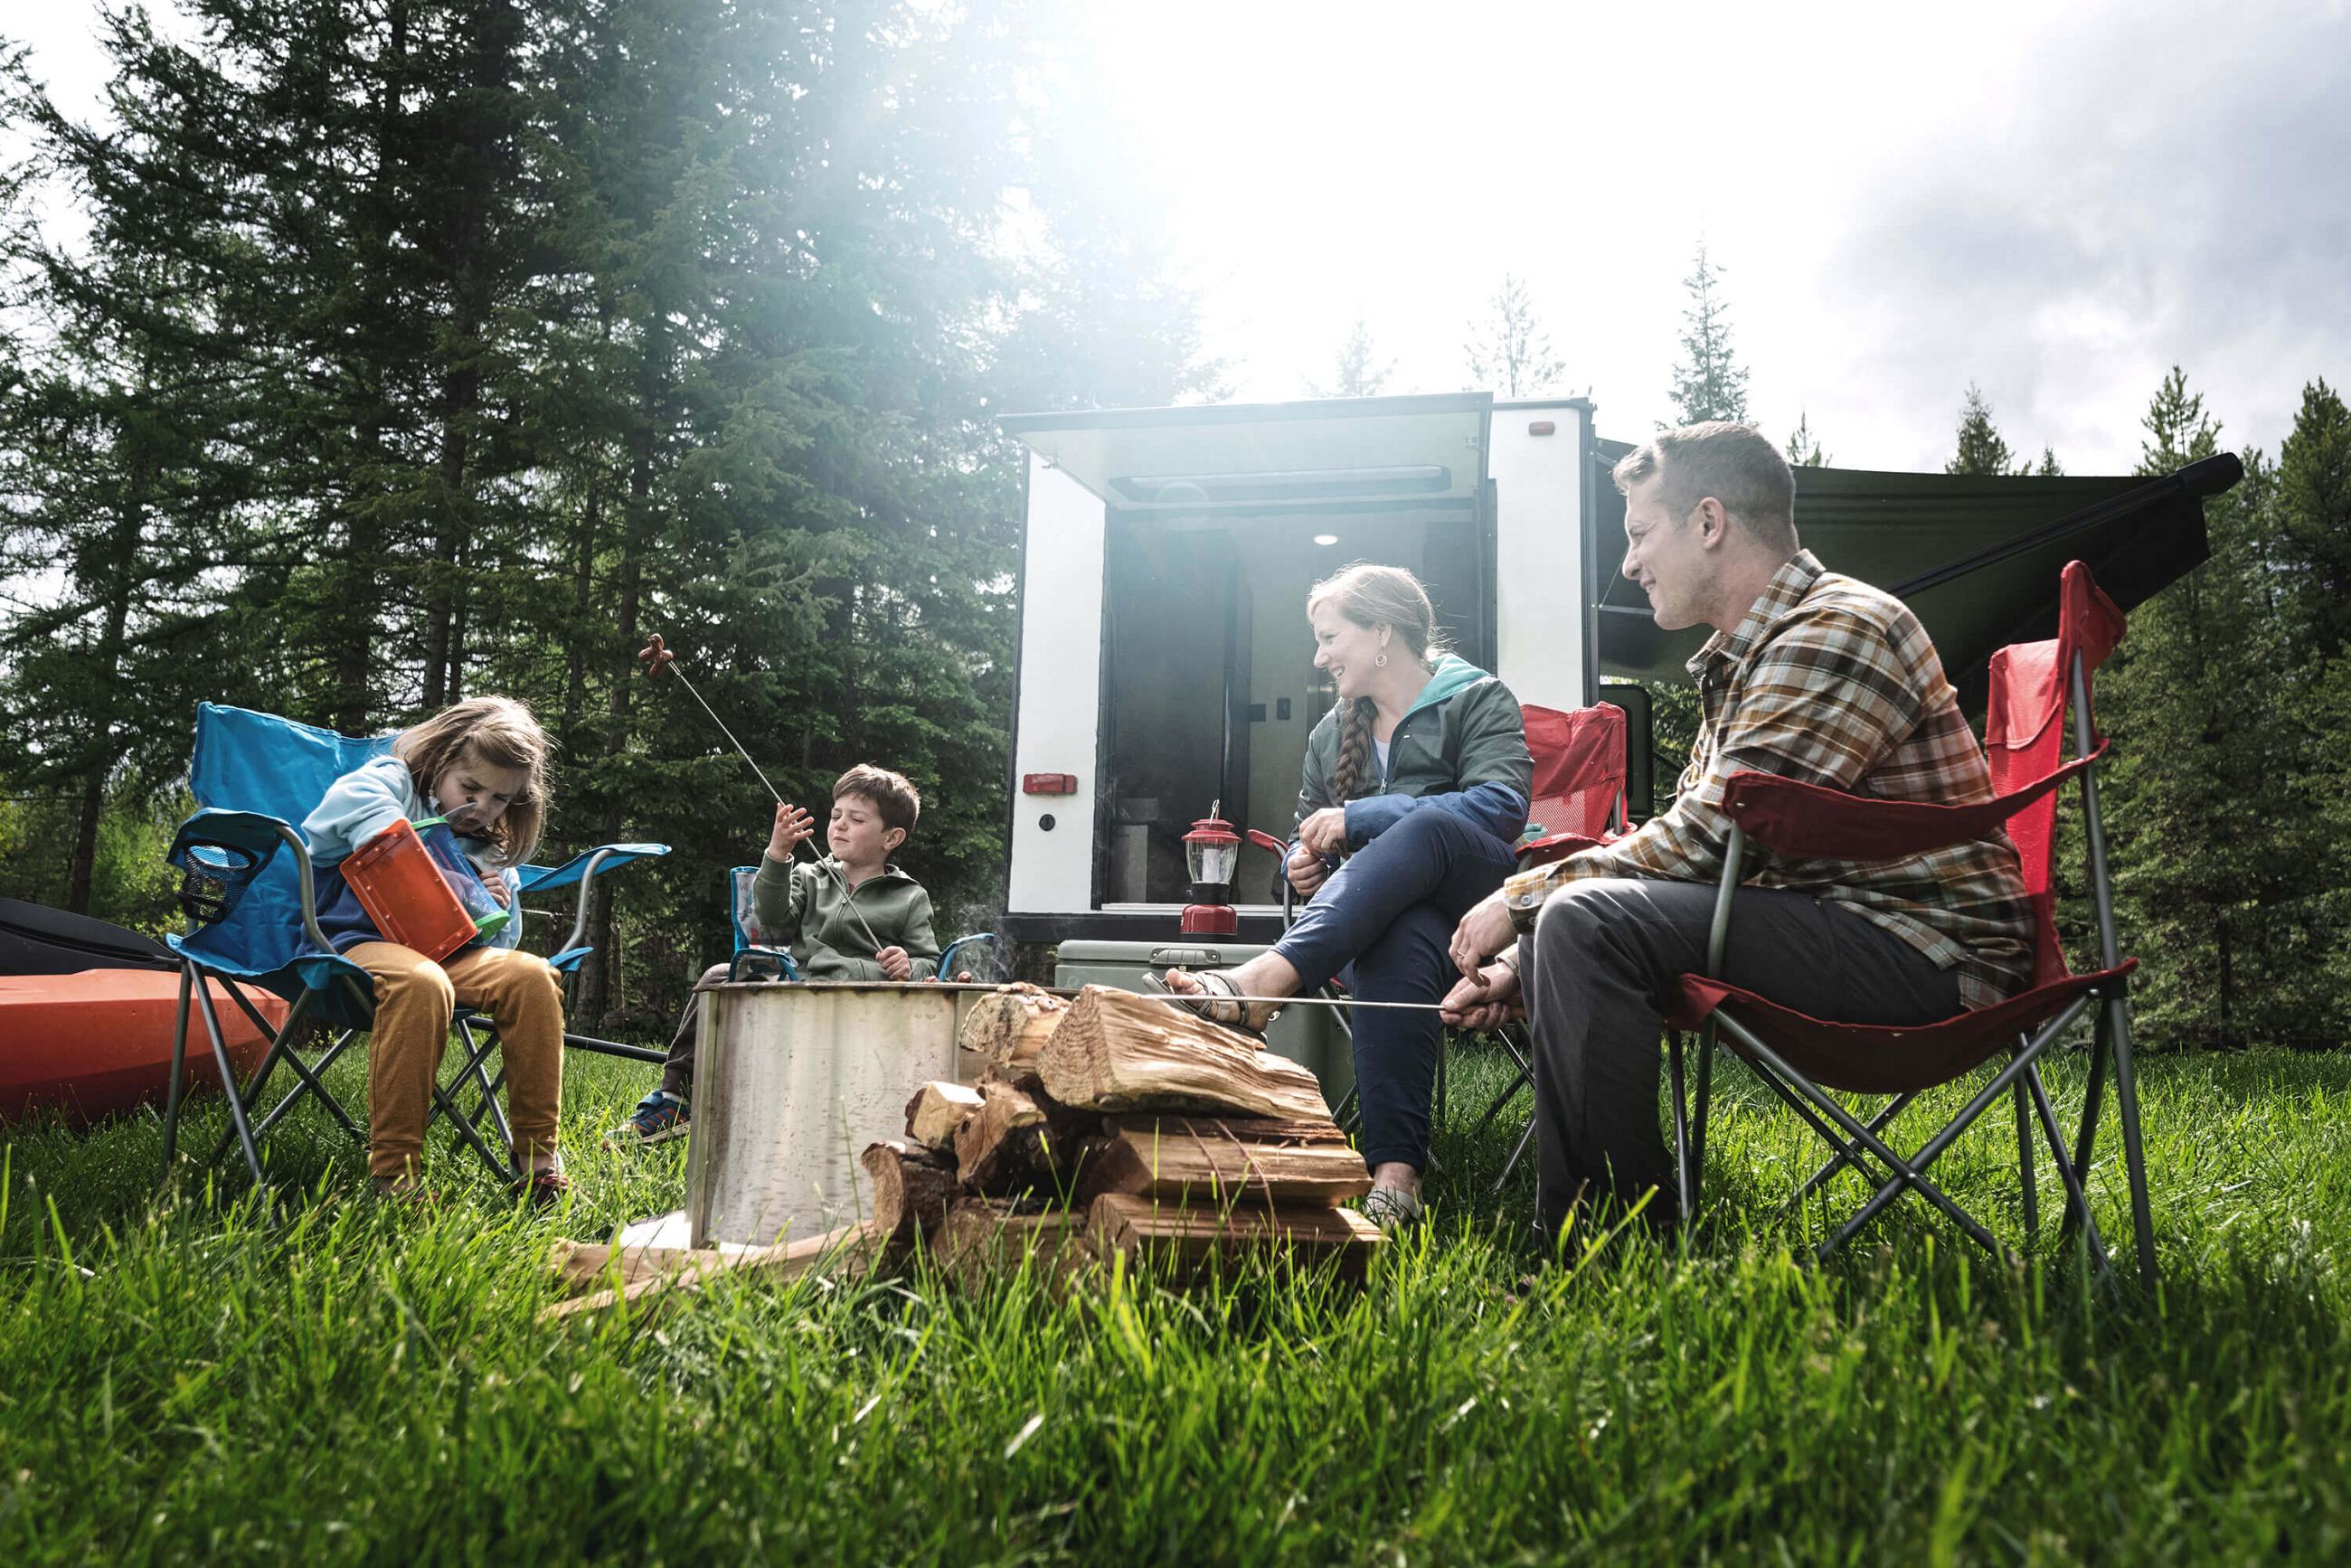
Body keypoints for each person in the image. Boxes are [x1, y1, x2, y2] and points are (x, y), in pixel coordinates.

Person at [1442, 421, 2034, 1240]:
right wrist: (1527, 961)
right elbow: (1691, 842)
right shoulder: (1751, 656)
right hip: (1847, 927)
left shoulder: (1839, 628)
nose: (1630, 563)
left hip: (1927, 954)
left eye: (1640, 533)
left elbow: (1714, 839)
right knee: (1572, 919)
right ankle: (1599, 1237)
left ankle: (1608, 1248)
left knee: (1579, 914)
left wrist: (1523, 899)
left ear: (1709, 522)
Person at [1161, 563, 1531, 1229]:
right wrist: (1299, 867)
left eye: (1330, 638)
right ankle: (1395, 1181)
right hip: (1388, 926)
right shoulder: (1330, 733)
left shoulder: (1477, 697)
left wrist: (1362, 818)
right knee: (1396, 937)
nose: (1319, 657)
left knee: (1427, 825)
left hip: (1480, 910)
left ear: (1382, 632)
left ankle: (1265, 981)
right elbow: (1302, 839)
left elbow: (1501, 807)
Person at [300, 695, 571, 1204]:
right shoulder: (394, 784)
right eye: (470, 788)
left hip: (451, 957)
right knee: (423, 981)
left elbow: (501, 942)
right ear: (441, 760)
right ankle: (396, 1178)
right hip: (358, 946)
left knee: (532, 975)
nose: (482, 807)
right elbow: (343, 812)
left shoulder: (489, 848)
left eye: (501, 798)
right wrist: (424, 854)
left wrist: (494, 908)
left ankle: (537, 1164)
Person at [610, 763, 940, 1147]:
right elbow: (771, 920)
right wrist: (778, 853)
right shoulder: (810, 876)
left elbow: (928, 963)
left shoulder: (909, 896)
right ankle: (676, 1098)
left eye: (857, 819)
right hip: (798, 988)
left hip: (867, 1003)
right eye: (836, 815)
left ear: (892, 837)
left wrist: (907, 965)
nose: (840, 825)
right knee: (718, 976)